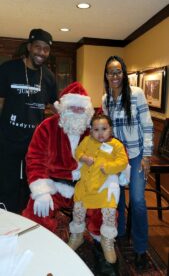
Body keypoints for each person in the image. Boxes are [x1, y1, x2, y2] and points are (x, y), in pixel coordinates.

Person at [23, 82, 105, 238]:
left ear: (87, 110)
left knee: (104, 211)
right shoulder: (47, 126)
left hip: (85, 186)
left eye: (80, 108)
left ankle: (100, 244)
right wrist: (41, 192)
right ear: (63, 108)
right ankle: (40, 245)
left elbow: (110, 150)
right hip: (55, 185)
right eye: (71, 107)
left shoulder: (95, 130)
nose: (76, 111)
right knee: (36, 211)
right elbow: (35, 159)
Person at [102, 55, 154, 271]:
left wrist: (147, 155)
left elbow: (148, 125)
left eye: (118, 71)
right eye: (110, 72)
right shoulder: (105, 99)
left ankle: (141, 249)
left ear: (123, 73)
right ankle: (120, 234)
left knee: (138, 200)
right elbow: (106, 131)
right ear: (106, 75)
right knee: (115, 198)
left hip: (135, 155)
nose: (114, 75)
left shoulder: (137, 94)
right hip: (116, 157)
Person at [0, 28, 58, 214]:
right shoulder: (8, 69)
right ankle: (5, 220)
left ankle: (26, 219)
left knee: (31, 183)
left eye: (46, 49)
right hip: (7, 138)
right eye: (38, 47)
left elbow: (56, 106)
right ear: (29, 47)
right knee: (6, 183)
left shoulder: (48, 77)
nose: (41, 53)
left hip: (34, 142)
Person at [68, 114, 129, 264]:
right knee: (78, 210)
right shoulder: (87, 141)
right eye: (96, 129)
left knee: (109, 214)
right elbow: (77, 152)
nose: (100, 133)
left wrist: (108, 167)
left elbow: (123, 162)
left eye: (104, 129)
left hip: (105, 187)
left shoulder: (116, 145)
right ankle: (77, 236)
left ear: (111, 129)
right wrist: (83, 158)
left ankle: (107, 240)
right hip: (86, 185)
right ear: (91, 131)